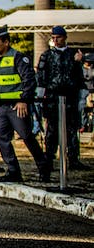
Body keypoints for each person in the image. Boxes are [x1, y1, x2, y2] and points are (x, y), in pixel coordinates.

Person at [0, 25, 49, 183]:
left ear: (6, 42)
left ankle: (44, 167)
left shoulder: (18, 57)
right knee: (1, 136)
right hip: (1, 107)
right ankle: (13, 170)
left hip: (17, 106)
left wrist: (23, 100)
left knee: (27, 136)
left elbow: (29, 80)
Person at [36, 25, 86, 171]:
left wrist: (82, 96)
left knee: (71, 130)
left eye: (58, 37)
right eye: (53, 38)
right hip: (52, 97)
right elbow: (41, 76)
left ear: (64, 38)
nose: (55, 40)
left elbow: (79, 76)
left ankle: (73, 159)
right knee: (51, 131)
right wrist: (40, 94)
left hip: (70, 97)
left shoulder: (73, 55)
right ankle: (49, 159)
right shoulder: (47, 55)